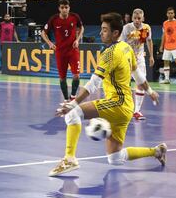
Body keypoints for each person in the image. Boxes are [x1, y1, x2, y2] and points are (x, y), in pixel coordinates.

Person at [49, 12, 165, 177]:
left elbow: (93, 84)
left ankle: (69, 158)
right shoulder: (126, 48)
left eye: (104, 30)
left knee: (72, 115)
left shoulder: (109, 54)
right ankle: (156, 151)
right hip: (126, 107)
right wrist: (150, 91)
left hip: (117, 104)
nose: (100, 33)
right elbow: (138, 75)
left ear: (115, 33)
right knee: (115, 158)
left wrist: (72, 104)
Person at [41, 0, 84, 102]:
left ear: (69, 8)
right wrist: (50, 43)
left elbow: (82, 28)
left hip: (73, 50)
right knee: (62, 78)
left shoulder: (75, 17)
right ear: (59, 8)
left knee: (76, 75)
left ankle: (73, 97)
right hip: (60, 52)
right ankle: (66, 100)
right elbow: (43, 33)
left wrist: (78, 40)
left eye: (66, 7)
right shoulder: (54, 19)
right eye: (62, 7)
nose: (64, 9)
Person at [119, 9, 154, 120]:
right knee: (123, 84)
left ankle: (137, 111)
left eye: (139, 18)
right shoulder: (126, 28)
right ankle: (121, 107)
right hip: (127, 58)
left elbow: (149, 41)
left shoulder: (146, 28)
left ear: (143, 18)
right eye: (135, 18)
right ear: (132, 18)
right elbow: (120, 43)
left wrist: (151, 56)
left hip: (139, 58)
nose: (137, 20)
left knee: (141, 82)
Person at [159, 7, 176, 84]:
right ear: (167, 14)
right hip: (167, 46)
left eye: (172, 13)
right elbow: (164, 35)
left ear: (174, 14)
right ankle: (167, 79)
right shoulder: (164, 23)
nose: (170, 14)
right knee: (166, 61)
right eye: (169, 13)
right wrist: (161, 45)